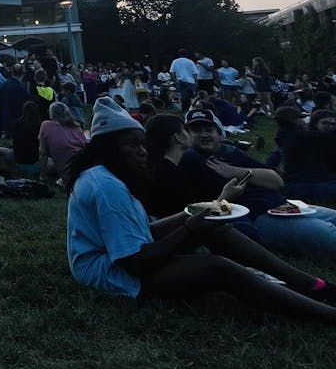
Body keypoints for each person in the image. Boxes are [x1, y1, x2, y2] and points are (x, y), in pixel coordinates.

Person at [66, 95, 336, 322]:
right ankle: (326, 314)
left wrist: (197, 216)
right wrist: (187, 227)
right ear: (108, 148)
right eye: (131, 144)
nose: (143, 152)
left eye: (143, 144)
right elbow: (135, 263)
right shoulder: (105, 185)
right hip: (111, 271)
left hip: (132, 253)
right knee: (217, 267)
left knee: (213, 225)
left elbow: (141, 233)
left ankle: (311, 285)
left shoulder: (110, 176)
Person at [180, 108, 336, 258]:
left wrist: (234, 171)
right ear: (186, 136)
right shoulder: (190, 160)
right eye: (197, 131)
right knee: (329, 236)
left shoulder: (228, 152)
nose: (204, 135)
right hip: (258, 217)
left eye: (209, 130)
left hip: (284, 205)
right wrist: (229, 197)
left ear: (219, 133)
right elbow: (198, 209)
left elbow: (276, 181)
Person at [38, 102, 86, 185]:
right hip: (86, 170)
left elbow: (43, 153)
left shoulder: (46, 125)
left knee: (49, 162)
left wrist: (42, 177)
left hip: (70, 178)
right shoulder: (76, 126)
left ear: (52, 114)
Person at [0, 64, 28, 136]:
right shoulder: (22, 89)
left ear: (12, 72)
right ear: (22, 74)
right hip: (15, 127)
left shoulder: (2, 86)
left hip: (1, 124)